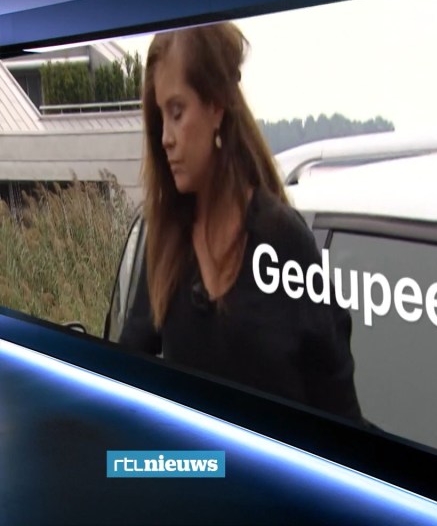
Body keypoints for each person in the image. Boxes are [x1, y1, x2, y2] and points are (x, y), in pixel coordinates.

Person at [120, 22, 361, 422]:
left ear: (216, 105)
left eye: (177, 113)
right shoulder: (167, 242)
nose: (166, 138)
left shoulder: (283, 240)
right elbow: (124, 386)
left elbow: (339, 409)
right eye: (161, 118)